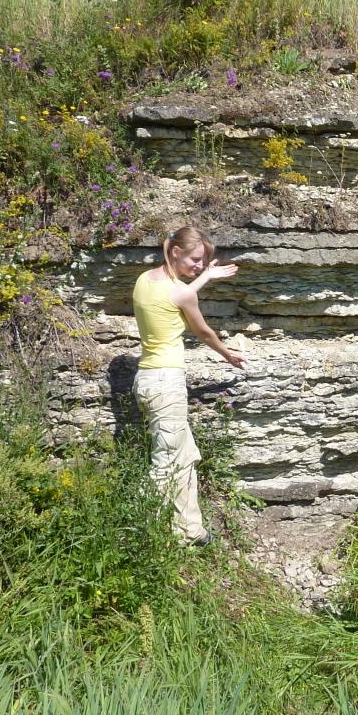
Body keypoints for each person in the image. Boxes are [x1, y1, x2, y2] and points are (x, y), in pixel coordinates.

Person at [132, 226, 245, 546]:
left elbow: (175, 294)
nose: (199, 265)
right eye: (196, 260)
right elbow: (204, 332)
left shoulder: (145, 280)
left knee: (185, 456)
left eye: (203, 261)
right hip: (166, 384)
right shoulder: (182, 293)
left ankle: (189, 531)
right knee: (165, 464)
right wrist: (228, 354)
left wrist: (205, 276)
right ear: (176, 252)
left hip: (147, 379)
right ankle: (138, 533)